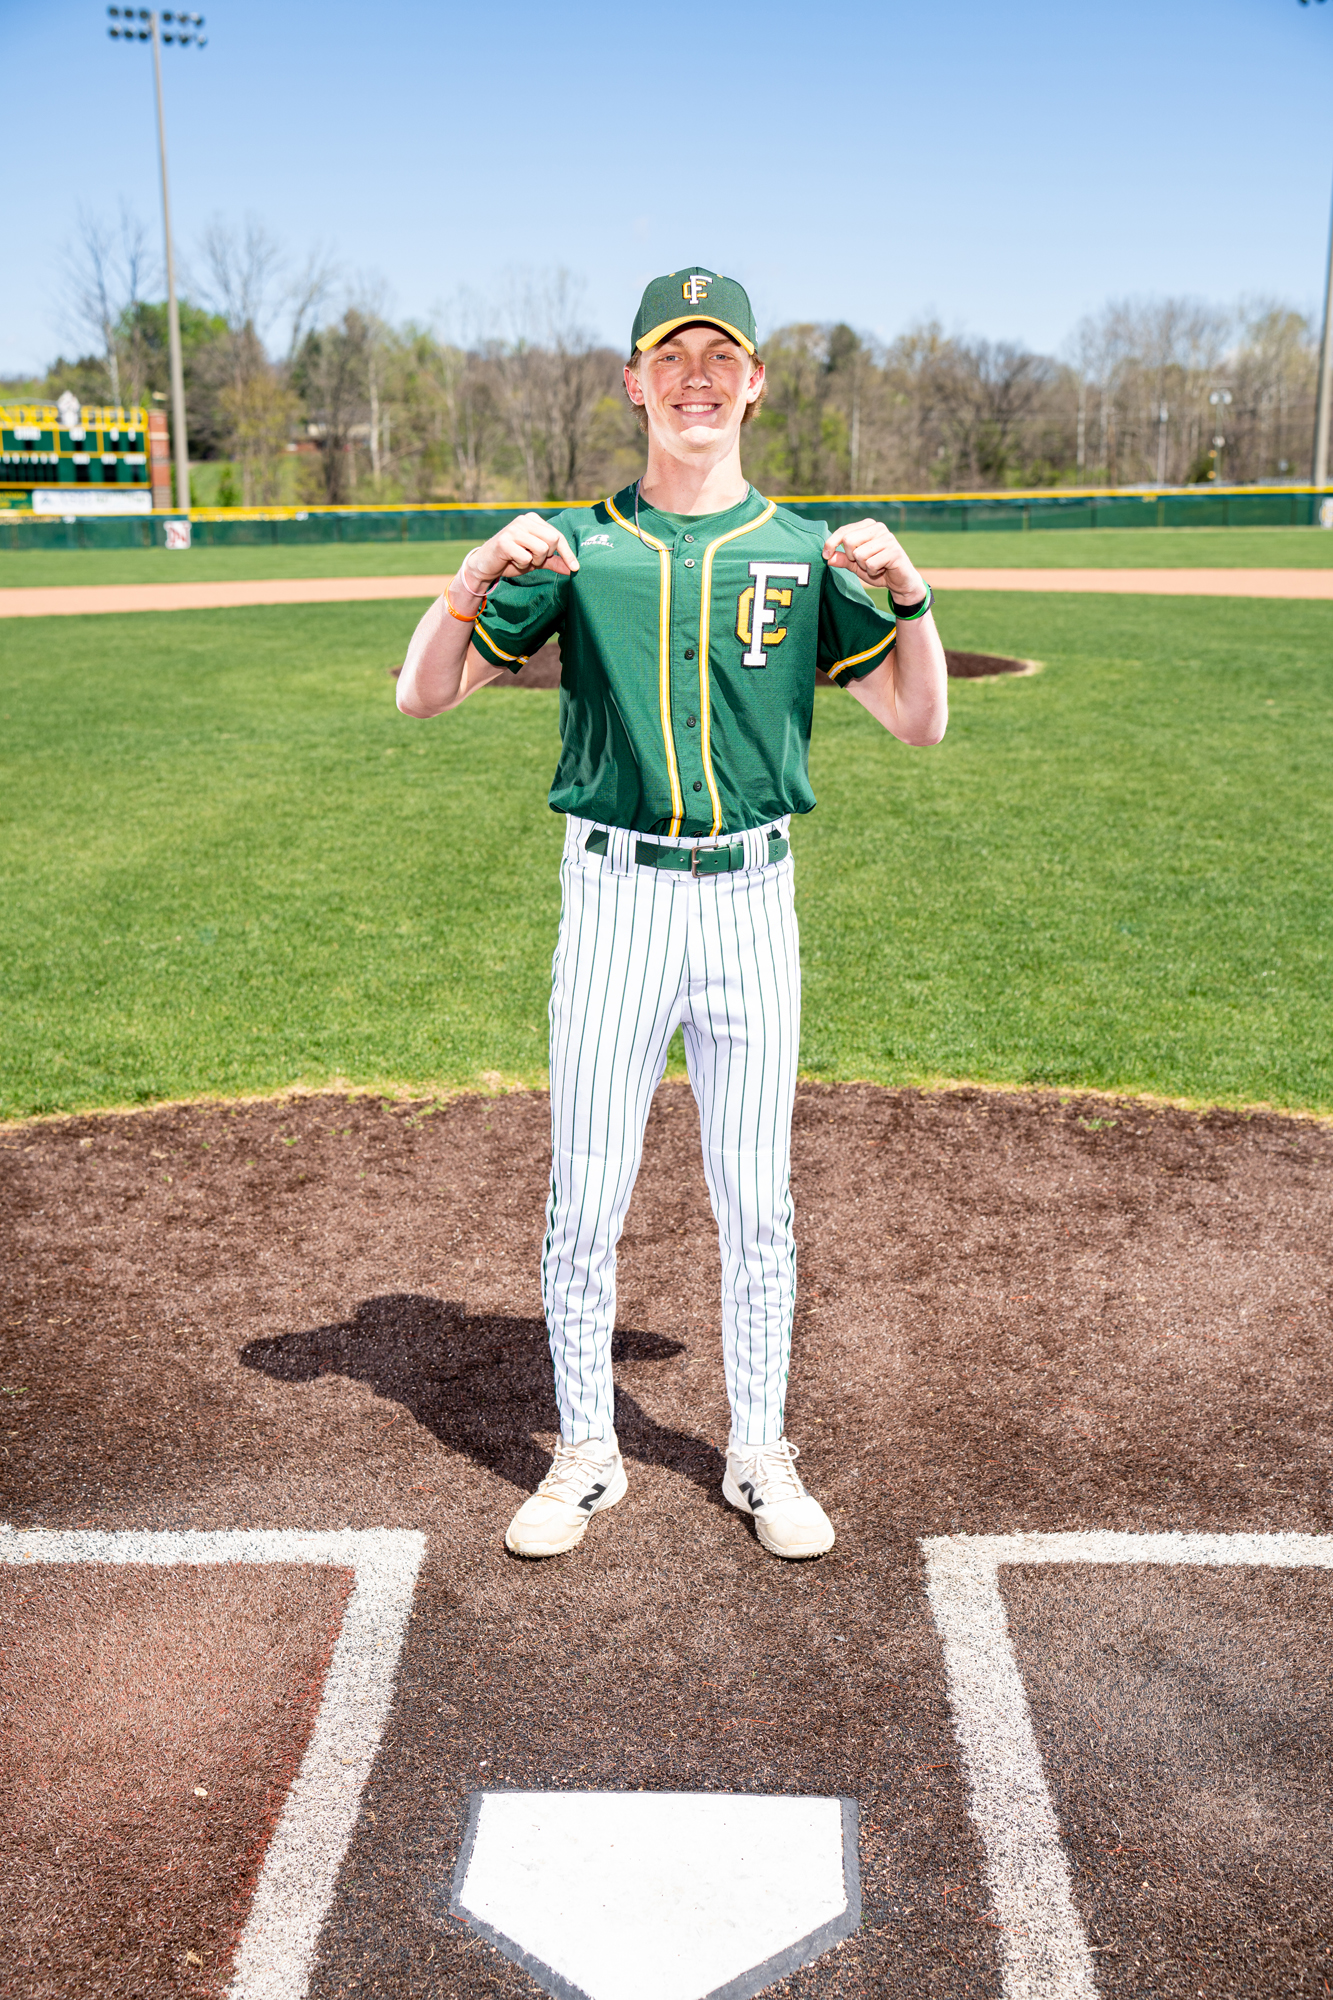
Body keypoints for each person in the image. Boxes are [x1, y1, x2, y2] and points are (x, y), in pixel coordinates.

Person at [396, 267, 947, 1561]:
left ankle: (759, 1451)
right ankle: (586, 1452)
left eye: (721, 358)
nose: (697, 379)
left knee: (755, 1196)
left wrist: (912, 597)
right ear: (633, 384)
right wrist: (471, 577)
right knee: (587, 1193)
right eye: (671, 358)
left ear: (754, 385)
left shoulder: (804, 552)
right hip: (616, 899)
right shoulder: (577, 548)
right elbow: (424, 693)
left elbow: (919, 722)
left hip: (754, 899)